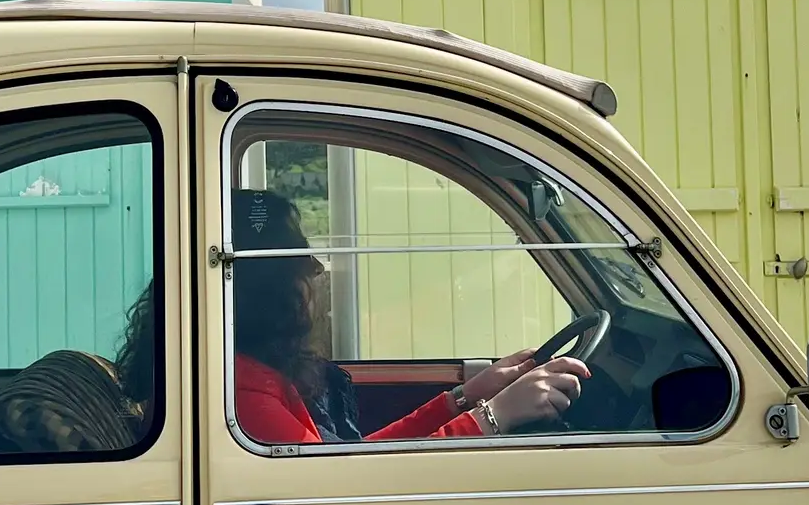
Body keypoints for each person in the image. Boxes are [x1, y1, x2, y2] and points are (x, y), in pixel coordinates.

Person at [228, 188, 588, 444]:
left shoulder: (257, 374)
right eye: (301, 256)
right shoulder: (245, 394)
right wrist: (494, 416)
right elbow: (346, 488)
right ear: (267, 283)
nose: (318, 268)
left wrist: (465, 397)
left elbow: (356, 463)